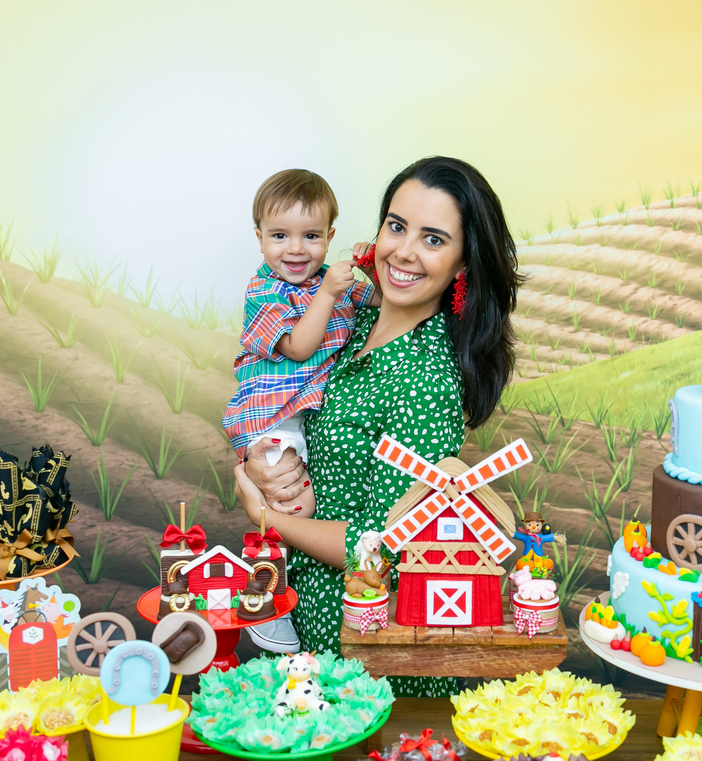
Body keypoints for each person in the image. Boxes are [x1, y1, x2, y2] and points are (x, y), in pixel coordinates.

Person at [233, 156, 521, 696]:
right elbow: (274, 390)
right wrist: (258, 462)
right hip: (310, 629)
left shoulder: (426, 380)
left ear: (463, 263)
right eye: (396, 226)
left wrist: (264, 514)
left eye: (433, 239)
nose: (404, 251)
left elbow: (387, 543)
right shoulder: (349, 317)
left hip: (368, 655)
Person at [222, 168, 380, 653]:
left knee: (301, 500)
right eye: (279, 236)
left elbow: (374, 302)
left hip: (302, 412)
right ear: (259, 239)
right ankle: (264, 601)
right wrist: (330, 293)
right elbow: (298, 346)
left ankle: (274, 590)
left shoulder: (332, 282)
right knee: (295, 507)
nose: (295, 249)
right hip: (270, 416)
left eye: (311, 236)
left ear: (329, 237)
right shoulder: (265, 290)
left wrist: (370, 270)